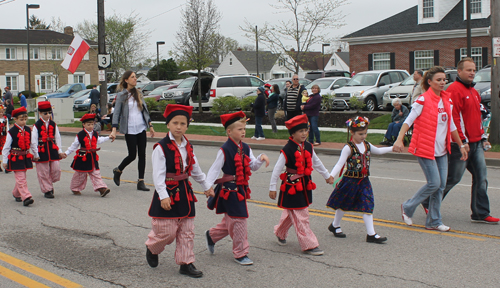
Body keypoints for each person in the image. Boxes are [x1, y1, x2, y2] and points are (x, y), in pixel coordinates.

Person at [422, 58, 499, 223]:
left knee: (481, 177)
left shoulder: (474, 92)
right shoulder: (454, 91)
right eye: (468, 70)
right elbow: (454, 118)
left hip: (476, 143)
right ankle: (428, 201)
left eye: (474, 70)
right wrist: (461, 141)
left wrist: (483, 137)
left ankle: (481, 213)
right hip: (461, 144)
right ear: (459, 71)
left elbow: (477, 118)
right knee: (453, 178)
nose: (472, 73)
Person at [393, 66, 467, 231]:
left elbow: (452, 125)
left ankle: (434, 221)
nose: (442, 83)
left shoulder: (447, 100)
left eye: (444, 79)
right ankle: (408, 206)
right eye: (439, 80)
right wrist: (399, 139)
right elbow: (408, 120)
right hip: (425, 148)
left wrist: (461, 144)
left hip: (442, 151)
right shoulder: (422, 100)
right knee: (434, 183)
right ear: (429, 82)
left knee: (440, 186)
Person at [145, 104, 213, 278]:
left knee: (186, 230)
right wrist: (163, 196)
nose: (178, 127)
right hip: (167, 191)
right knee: (166, 230)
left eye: (183, 123)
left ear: (187, 126)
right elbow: (158, 175)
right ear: (168, 124)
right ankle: (152, 248)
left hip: (184, 191)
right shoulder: (161, 148)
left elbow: (195, 169)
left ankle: (186, 263)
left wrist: (206, 186)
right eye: (175, 123)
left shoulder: (188, 146)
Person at [205, 111, 270, 266]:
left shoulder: (246, 147)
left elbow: (252, 165)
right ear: (229, 131)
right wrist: (208, 187)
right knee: (239, 220)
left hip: (240, 189)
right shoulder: (224, 149)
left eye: (244, 129)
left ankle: (212, 236)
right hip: (228, 191)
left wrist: (260, 158)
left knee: (232, 220)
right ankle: (241, 253)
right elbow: (214, 170)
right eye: (239, 129)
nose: (243, 132)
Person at [269, 114, 333, 255]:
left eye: (306, 130)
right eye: (300, 131)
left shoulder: (309, 146)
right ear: (293, 133)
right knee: (301, 215)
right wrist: (272, 187)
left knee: (292, 212)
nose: (304, 133)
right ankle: (309, 244)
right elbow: (277, 169)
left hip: (304, 185)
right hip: (292, 187)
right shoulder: (287, 149)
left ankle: (280, 232)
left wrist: (327, 176)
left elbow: (316, 162)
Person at [326, 116, 393, 243]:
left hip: (364, 181)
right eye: (360, 134)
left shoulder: (366, 145)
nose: (363, 136)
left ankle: (371, 234)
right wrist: (331, 175)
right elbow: (340, 164)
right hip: (350, 181)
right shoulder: (348, 148)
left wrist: (392, 148)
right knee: (343, 204)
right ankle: (335, 225)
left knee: (368, 204)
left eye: (365, 133)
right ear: (352, 132)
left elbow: (378, 151)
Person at [110, 71, 155, 191]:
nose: (135, 79)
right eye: (133, 77)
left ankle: (141, 181)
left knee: (142, 155)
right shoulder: (121, 95)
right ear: (126, 80)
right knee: (132, 155)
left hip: (141, 127)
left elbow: (144, 110)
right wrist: (114, 130)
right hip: (129, 129)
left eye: (135, 77)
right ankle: (118, 170)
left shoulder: (138, 93)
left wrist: (150, 125)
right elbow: (116, 114)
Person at [63, 113, 113, 197]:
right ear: (83, 124)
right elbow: (74, 146)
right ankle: (75, 188)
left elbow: (99, 140)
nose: (90, 126)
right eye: (88, 124)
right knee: (80, 175)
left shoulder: (95, 133)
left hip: (93, 157)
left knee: (96, 173)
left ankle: (102, 189)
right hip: (83, 157)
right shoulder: (80, 135)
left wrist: (108, 137)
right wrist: (66, 153)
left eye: (92, 124)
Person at [2, 107, 35, 206]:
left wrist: (36, 154)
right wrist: (5, 161)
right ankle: (26, 197)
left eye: (25, 119)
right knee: (21, 178)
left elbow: (32, 143)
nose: (24, 122)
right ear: (15, 119)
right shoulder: (11, 132)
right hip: (15, 157)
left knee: (22, 177)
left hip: (25, 156)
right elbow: (6, 148)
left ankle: (16, 193)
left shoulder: (28, 129)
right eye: (21, 119)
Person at [31, 101, 65, 199]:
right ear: (40, 113)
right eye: (45, 113)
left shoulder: (53, 124)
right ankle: (48, 190)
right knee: (43, 172)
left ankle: (50, 182)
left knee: (56, 168)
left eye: (49, 113)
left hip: (52, 148)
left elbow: (57, 138)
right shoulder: (37, 125)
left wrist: (59, 151)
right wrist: (36, 154)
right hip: (42, 150)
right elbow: (33, 140)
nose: (48, 115)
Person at [0, 105, 8, 172]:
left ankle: (6, 166)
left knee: (5, 151)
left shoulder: (5, 118)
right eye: (0, 112)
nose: (1, 113)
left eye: (2, 112)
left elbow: (7, 127)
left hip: (4, 137)